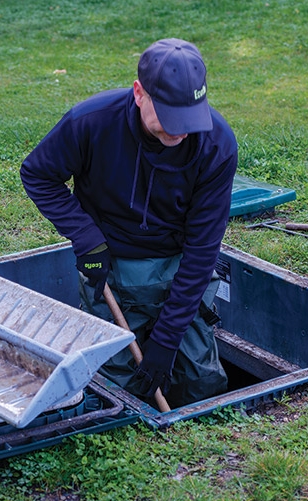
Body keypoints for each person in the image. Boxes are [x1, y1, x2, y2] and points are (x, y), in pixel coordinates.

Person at [20, 38, 238, 408]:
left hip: (177, 267)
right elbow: (38, 175)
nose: (181, 131)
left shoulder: (215, 144)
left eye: (189, 117)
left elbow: (203, 250)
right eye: (170, 117)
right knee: (117, 386)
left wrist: (167, 341)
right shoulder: (90, 123)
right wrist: (87, 238)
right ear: (140, 93)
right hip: (111, 267)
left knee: (200, 382)